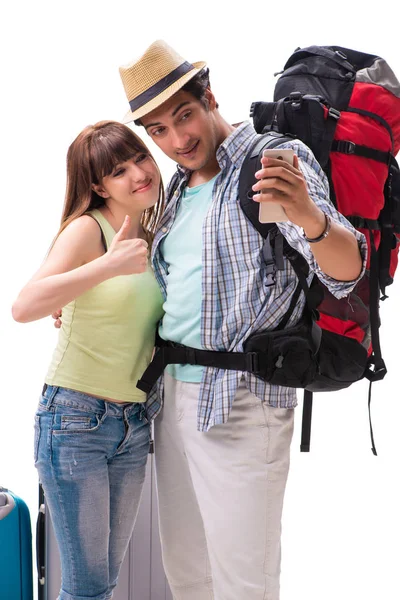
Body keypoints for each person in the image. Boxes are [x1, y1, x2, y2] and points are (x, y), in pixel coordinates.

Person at [116, 41, 368, 600]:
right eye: (158, 130)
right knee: (188, 579)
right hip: (173, 404)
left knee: (243, 586)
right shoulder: (178, 189)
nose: (179, 140)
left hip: (242, 403)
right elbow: (173, 293)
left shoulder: (269, 162)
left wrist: (310, 217)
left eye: (184, 116)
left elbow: (347, 275)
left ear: (210, 96)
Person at [12, 120, 165, 600]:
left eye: (140, 157)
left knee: (102, 582)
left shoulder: (158, 227)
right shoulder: (88, 229)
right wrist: (105, 266)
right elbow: (23, 306)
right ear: (98, 186)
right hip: (75, 420)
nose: (139, 173)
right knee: (86, 586)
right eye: (118, 171)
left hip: (134, 424)